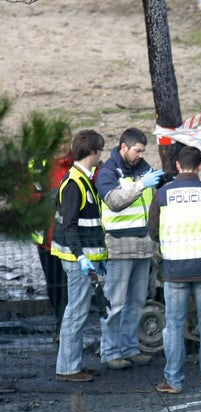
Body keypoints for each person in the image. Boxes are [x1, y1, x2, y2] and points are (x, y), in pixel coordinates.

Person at [148, 145, 201, 394]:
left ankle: (173, 381)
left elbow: (152, 231)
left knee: (174, 325)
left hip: (174, 269)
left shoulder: (162, 194)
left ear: (177, 166)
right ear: (200, 167)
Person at [95, 128, 163, 370]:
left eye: (143, 151)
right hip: (119, 247)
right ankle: (111, 352)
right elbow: (113, 201)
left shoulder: (143, 167)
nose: (140, 155)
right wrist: (141, 185)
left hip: (143, 246)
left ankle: (130, 348)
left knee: (135, 302)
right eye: (137, 150)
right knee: (115, 304)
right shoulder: (107, 172)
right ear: (123, 147)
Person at [51, 130, 108, 382]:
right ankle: (68, 368)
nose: (101, 156)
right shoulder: (75, 182)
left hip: (81, 257)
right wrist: (82, 257)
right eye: (100, 151)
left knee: (77, 311)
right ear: (93, 152)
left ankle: (71, 365)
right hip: (77, 260)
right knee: (76, 312)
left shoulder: (81, 179)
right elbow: (70, 226)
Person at [30, 139, 73, 342]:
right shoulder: (39, 166)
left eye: (65, 141)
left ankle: (63, 329)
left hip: (71, 238)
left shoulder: (79, 161)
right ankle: (60, 321)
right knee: (54, 285)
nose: (61, 146)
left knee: (68, 286)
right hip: (46, 238)